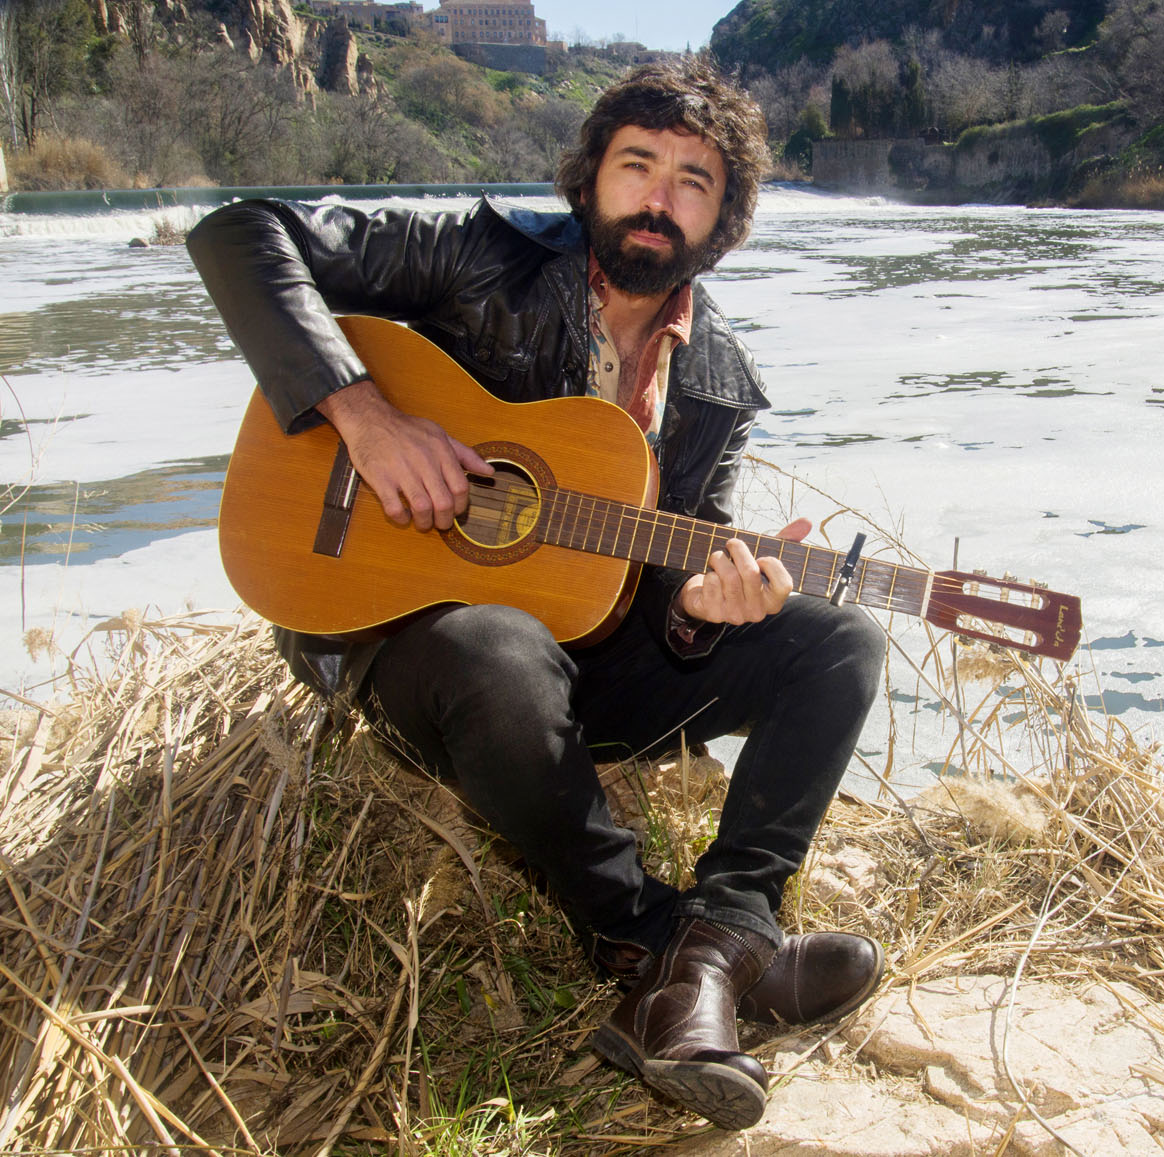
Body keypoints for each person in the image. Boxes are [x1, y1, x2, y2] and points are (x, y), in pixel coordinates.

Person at [186, 60, 887, 1131]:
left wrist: (702, 609)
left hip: (586, 665)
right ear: (589, 180)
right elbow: (241, 233)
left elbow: (662, 587)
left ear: (724, 218)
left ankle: (727, 931)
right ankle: (646, 938)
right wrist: (368, 420)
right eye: (636, 165)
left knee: (839, 638)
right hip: (418, 647)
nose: (658, 197)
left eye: (692, 181)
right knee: (498, 644)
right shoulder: (483, 255)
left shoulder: (716, 383)